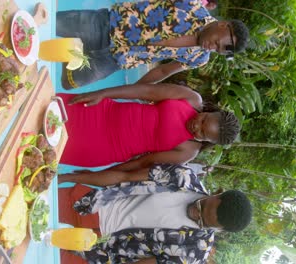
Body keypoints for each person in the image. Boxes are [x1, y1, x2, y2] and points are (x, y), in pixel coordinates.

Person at [58, 163, 253, 263]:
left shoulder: (193, 252)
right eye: (202, 206)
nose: (196, 213)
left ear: (219, 230)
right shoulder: (183, 178)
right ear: (217, 193)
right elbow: (124, 178)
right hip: (87, 205)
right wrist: (66, 177)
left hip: (94, 252)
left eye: (203, 221)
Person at [56, 0, 249, 88]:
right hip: (104, 25)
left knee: (69, 82)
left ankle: (71, 52)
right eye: (217, 42)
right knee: (48, 24)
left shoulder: (200, 57)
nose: (212, 48)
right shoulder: (190, 5)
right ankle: (71, 46)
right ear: (223, 25)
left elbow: (163, 71)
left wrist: (136, 88)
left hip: (116, 60)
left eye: (218, 51)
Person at [57, 82, 240, 171]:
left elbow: (142, 162)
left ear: (207, 141)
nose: (196, 125)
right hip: (99, 111)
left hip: (101, 148)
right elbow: (146, 90)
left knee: (42, 147)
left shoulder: (188, 151)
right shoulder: (191, 99)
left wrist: (100, 174)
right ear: (211, 110)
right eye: (204, 119)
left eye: (202, 133)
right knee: (43, 105)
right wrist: (102, 93)